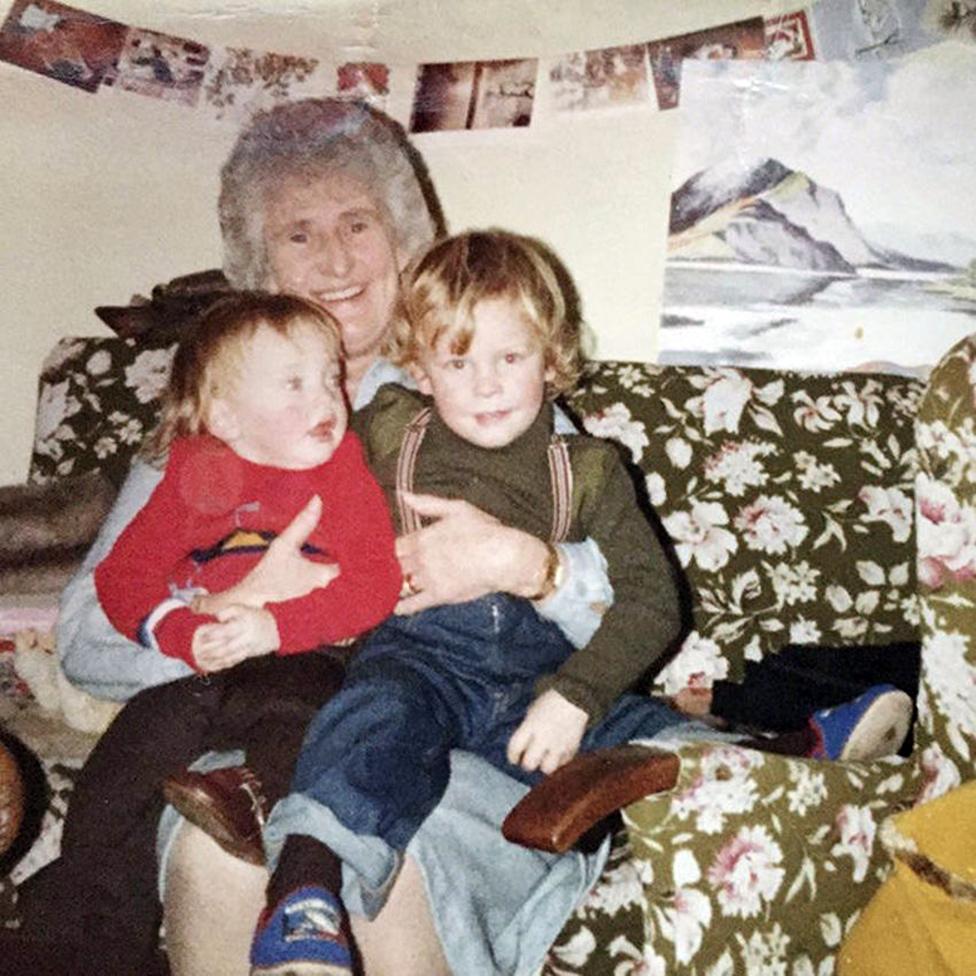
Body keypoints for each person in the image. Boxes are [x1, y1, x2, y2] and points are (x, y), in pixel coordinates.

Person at [17, 98, 617, 976]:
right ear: (259, 261)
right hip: (266, 734)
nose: (334, 260)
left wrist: (526, 565)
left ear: (402, 239)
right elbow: (85, 639)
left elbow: (616, 600)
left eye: (356, 224)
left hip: (462, 735)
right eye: (298, 235)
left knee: (401, 858)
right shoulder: (223, 416)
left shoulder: (480, 382)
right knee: (223, 843)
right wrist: (230, 608)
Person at [245, 228, 691, 974]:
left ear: (551, 360)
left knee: (654, 733)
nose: (485, 385)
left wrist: (576, 697)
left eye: (509, 359)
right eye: (458, 361)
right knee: (369, 718)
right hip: (420, 658)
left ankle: (795, 751)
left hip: (543, 677)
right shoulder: (390, 428)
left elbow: (654, 602)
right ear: (418, 369)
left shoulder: (586, 470)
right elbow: (291, 476)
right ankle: (303, 894)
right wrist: (271, 568)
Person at [89, 291, 400, 870]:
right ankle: (81, 918)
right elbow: (122, 576)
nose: (326, 398)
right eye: (294, 384)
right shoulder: (196, 471)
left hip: (308, 660)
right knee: (123, 767)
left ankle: (263, 822)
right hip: (207, 669)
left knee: (298, 719)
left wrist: (275, 626)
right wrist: (182, 630)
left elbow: (375, 583)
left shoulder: (343, 473)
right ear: (226, 417)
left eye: (330, 379)